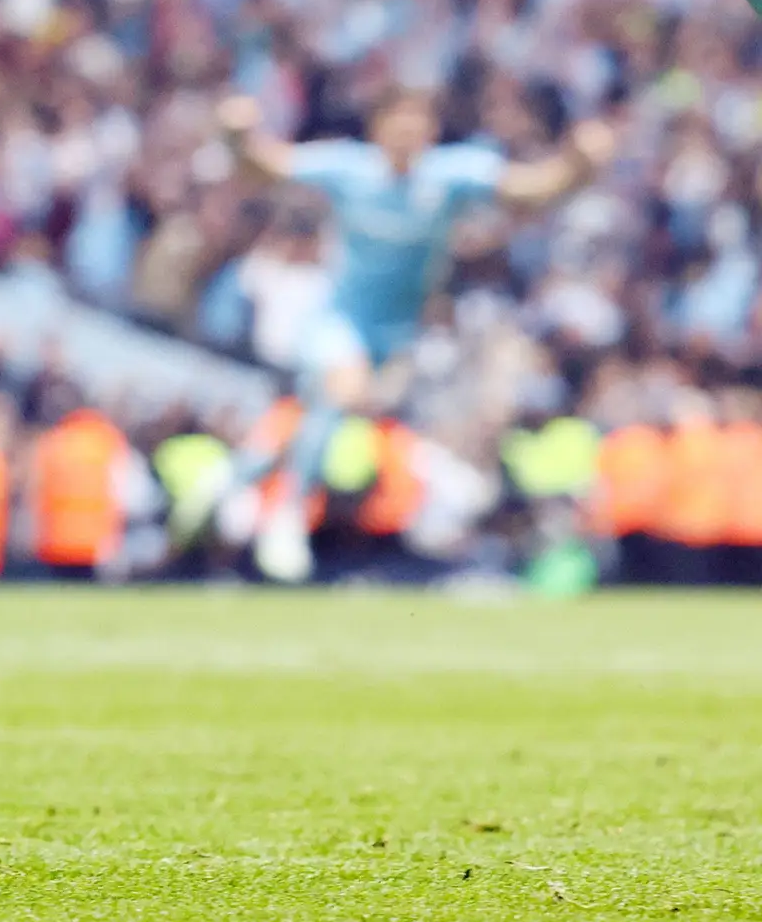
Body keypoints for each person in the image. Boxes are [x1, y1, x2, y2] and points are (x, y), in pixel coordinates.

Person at [214, 82, 604, 583]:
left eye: (418, 118)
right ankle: (286, 514)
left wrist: (580, 162)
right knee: (341, 389)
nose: (408, 129)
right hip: (341, 319)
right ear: (377, 126)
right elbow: (263, 167)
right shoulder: (347, 168)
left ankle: (238, 477)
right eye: (398, 117)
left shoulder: (451, 175)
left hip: (402, 336)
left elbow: (538, 188)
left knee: (331, 412)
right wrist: (234, 136)